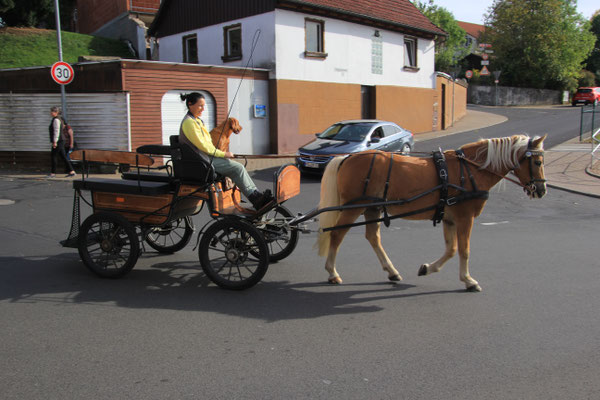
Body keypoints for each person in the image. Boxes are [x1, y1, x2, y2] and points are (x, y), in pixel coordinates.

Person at [178, 92, 273, 210]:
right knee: (237, 168)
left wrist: (223, 155)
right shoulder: (189, 122)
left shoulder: (197, 121)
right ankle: (256, 198)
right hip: (201, 162)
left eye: (204, 106)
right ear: (190, 104)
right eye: (200, 106)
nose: (203, 109)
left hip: (206, 158)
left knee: (238, 167)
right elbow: (204, 146)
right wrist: (224, 154)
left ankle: (256, 195)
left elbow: (208, 144)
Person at [49, 106, 76, 178]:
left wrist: (55, 141)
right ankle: (72, 171)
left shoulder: (56, 120)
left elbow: (56, 131)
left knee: (54, 156)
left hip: (59, 140)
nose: (51, 113)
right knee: (63, 156)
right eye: (51, 111)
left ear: (56, 112)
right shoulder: (59, 119)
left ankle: (53, 173)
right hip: (61, 140)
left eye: (53, 111)